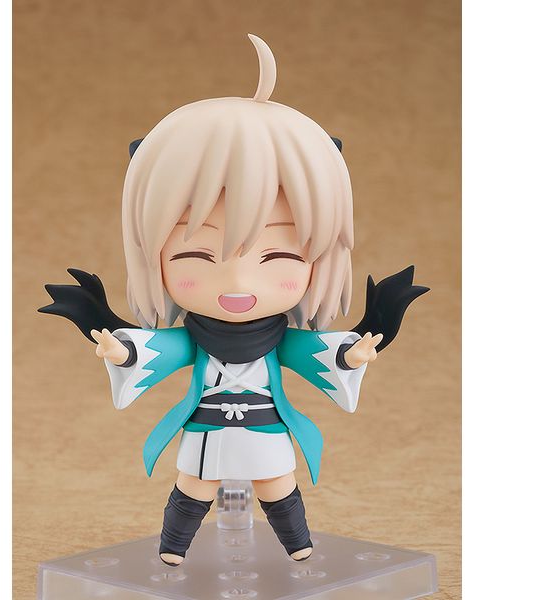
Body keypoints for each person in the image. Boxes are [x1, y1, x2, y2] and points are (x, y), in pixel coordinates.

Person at [40, 34, 428, 567]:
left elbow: (315, 354)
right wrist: (121, 350)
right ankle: (173, 549)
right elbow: (159, 351)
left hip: (267, 428)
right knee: (193, 487)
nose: (239, 282)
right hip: (205, 428)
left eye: (278, 256)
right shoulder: (193, 339)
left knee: (278, 484)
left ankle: (298, 546)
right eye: (196, 255)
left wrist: (351, 353)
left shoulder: (280, 340)